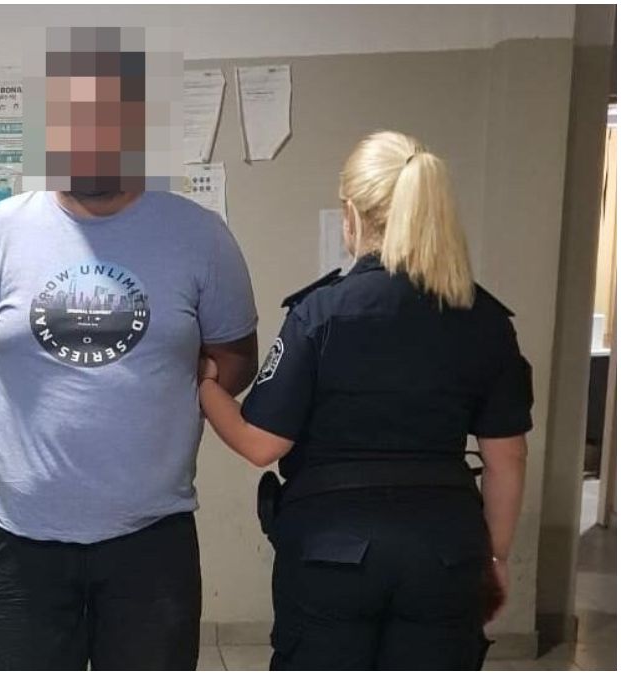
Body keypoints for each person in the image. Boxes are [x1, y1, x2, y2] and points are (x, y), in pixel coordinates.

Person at [0, 28, 259, 670]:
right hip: (21, 542)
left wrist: (152, 407)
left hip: (152, 542)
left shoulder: (201, 237)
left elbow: (235, 357)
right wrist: (35, 415)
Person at [197, 130, 532, 670]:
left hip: (331, 554)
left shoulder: (319, 313)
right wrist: (496, 555)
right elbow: (507, 457)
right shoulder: (485, 319)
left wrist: (205, 384)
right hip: (445, 552)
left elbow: (260, 444)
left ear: (350, 214)